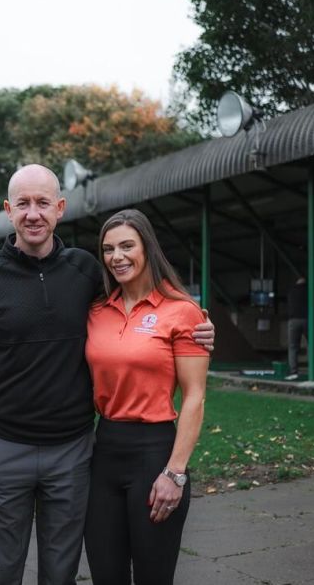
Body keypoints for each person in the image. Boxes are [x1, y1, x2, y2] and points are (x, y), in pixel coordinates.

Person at [0, 165, 215, 585]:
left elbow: (150, 314)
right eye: (22, 204)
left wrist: (200, 328)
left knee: (62, 574)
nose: (33, 213)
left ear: (60, 208)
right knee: (0, 573)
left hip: (73, 452)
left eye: (43, 203)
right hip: (5, 448)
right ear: (8, 210)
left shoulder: (84, 270)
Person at [83, 208, 210, 585]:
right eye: (108, 249)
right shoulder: (95, 310)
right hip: (104, 452)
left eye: (127, 246)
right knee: (106, 576)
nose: (117, 257)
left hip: (154, 454)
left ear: (147, 248)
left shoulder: (182, 311)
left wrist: (175, 473)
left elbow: (195, 397)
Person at [287, 276, 308, 380]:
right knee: (312, 345)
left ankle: (293, 371)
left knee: (293, 347)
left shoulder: (291, 291)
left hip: (293, 320)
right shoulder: (308, 290)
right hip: (307, 320)